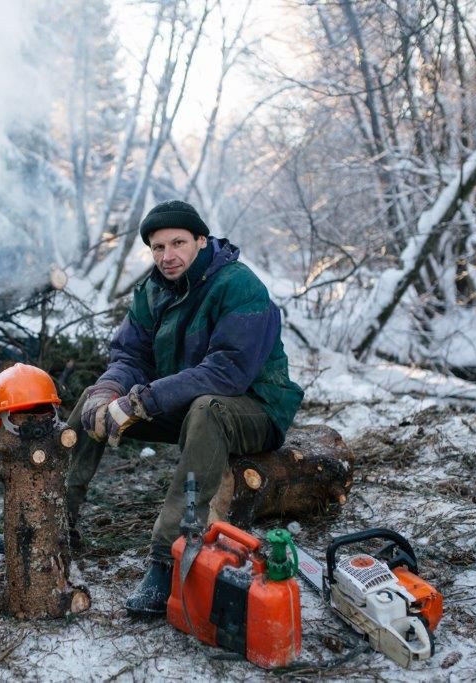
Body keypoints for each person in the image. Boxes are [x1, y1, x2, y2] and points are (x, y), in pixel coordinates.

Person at [65, 199, 304, 615]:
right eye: (158, 248)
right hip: (189, 401)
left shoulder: (239, 286)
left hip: (256, 407)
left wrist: (142, 401)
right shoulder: (152, 289)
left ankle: (166, 559)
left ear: (201, 240)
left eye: (178, 243)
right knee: (90, 401)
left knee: (207, 409)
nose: (167, 256)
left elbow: (227, 372)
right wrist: (109, 392)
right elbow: (129, 356)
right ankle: (56, 520)